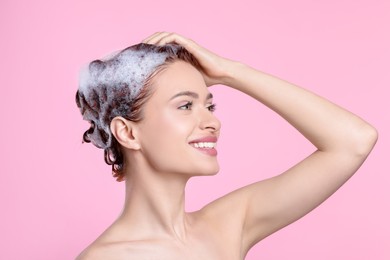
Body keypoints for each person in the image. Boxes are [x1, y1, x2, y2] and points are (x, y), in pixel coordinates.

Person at [75, 32, 377, 259]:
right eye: (184, 106)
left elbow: (353, 141)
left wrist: (231, 72)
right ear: (127, 133)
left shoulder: (228, 226)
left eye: (210, 107)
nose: (212, 123)